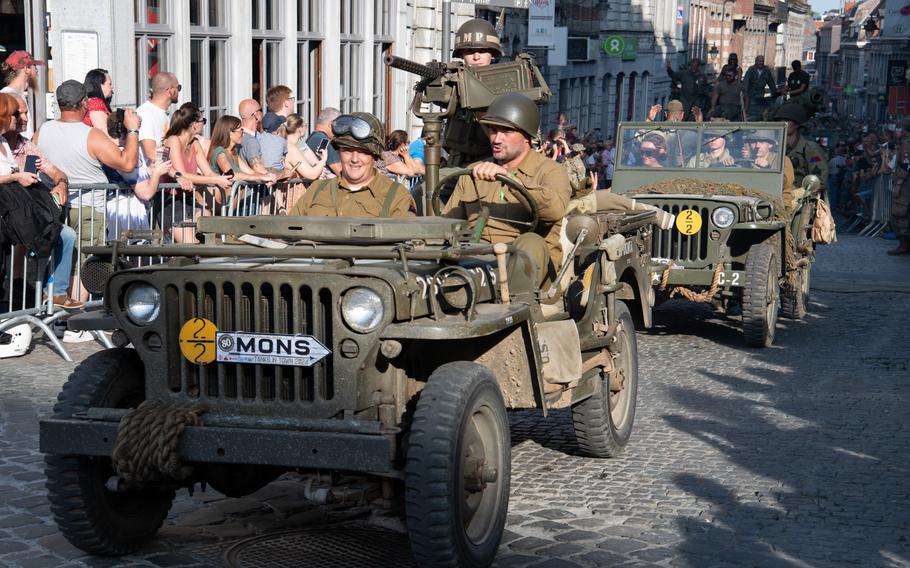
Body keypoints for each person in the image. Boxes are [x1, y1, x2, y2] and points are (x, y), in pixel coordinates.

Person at [443, 93, 570, 289]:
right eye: (493, 131)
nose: (496, 139)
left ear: (527, 136)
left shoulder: (550, 171)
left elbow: (554, 211)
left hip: (530, 272)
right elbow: (447, 224)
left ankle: (513, 304)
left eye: (506, 132)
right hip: (476, 265)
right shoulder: (473, 173)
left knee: (531, 241)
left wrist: (511, 180)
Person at [33, 80, 140, 300]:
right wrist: (133, 130)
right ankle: (74, 323)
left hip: (53, 207)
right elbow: (127, 163)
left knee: (60, 262)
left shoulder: (42, 130)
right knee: (83, 266)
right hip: (89, 210)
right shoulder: (91, 135)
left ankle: (59, 319)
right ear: (84, 104)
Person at [0, 92, 81, 310]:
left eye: (25, 112)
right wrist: (18, 177)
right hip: (9, 216)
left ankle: (55, 292)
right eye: (18, 113)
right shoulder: (6, 145)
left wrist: (61, 184)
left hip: (22, 213)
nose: (24, 118)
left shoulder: (25, 146)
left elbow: (58, 172)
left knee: (66, 234)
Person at [289, 112, 415, 218]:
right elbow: (288, 234)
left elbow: (407, 242)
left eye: (363, 152)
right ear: (339, 152)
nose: (354, 159)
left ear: (375, 156)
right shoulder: (317, 191)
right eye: (347, 150)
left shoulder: (397, 197)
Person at [159, 105, 232, 242]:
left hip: (187, 197)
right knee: (189, 244)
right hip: (170, 200)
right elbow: (183, 174)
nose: (204, 124)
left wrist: (225, 179)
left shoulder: (195, 143)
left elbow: (208, 172)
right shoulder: (173, 140)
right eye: (202, 121)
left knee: (207, 220)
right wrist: (217, 181)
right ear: (194, 125)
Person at [775, 103, 828, 191]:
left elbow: (820, 179)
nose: (782, 123)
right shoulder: (773, 147)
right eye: (780, 120)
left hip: (800, 198)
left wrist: (800, 192)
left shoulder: (809, 148)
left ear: (796, 124)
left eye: (787, 120)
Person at [207, 115, 275, 183]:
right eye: (240, 131)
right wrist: (261, 177)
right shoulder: (220, 152)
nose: (243, 133)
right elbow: (230, 175)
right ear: (229, 133)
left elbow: (250, 172)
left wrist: (267, 177)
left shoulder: (234, 152)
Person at [136, 72, 180, 164]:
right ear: (171, 90)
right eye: (178, 87)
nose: (179, 91)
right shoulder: (145, 113)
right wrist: (177, 157)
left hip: (164, 170)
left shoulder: (162, 112)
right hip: (150, 176)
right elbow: (151, 152)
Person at [1, 50, 43, 139]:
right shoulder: (8, 96)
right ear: (26, 68)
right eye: (34, 66)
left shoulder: (18, 95)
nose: (36, 70)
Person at [276, 114, 327, 181]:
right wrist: (323, 159)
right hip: (293, 190)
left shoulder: (288, 144)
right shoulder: (290, 148)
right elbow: (311, 174)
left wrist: (319, 169)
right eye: (305, 125)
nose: (306, 127)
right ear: (300, 128)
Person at [888, 117, 910, 255]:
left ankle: (904, 244)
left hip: (906, 183)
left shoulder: (907, 143)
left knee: (901, 212)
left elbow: (906, 164)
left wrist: (899, 181)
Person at [305, 107, 343, 178]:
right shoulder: (325, 141)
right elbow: (341, 172)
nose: (340, 130)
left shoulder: (312, 138)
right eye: (339, 125)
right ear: (331, 124)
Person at [237, 98, 268, 175]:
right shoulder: (250, 141)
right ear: (255, 115)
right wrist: (283, 174)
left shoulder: (236, 135)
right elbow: (259, 170)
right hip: (251, 185)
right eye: (261, 110)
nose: (262, 113)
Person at [743, 56, 778, 120]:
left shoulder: (766, 70)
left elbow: (771, 83)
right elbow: (745, 82)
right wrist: (745, 95)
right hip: (751, 96)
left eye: (762, 61)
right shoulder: (751, 69)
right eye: (759, 61)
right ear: (756, 61)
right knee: (751, 114)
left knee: (761, 113)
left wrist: (775, 92)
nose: (761, 63)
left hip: (761, 96)